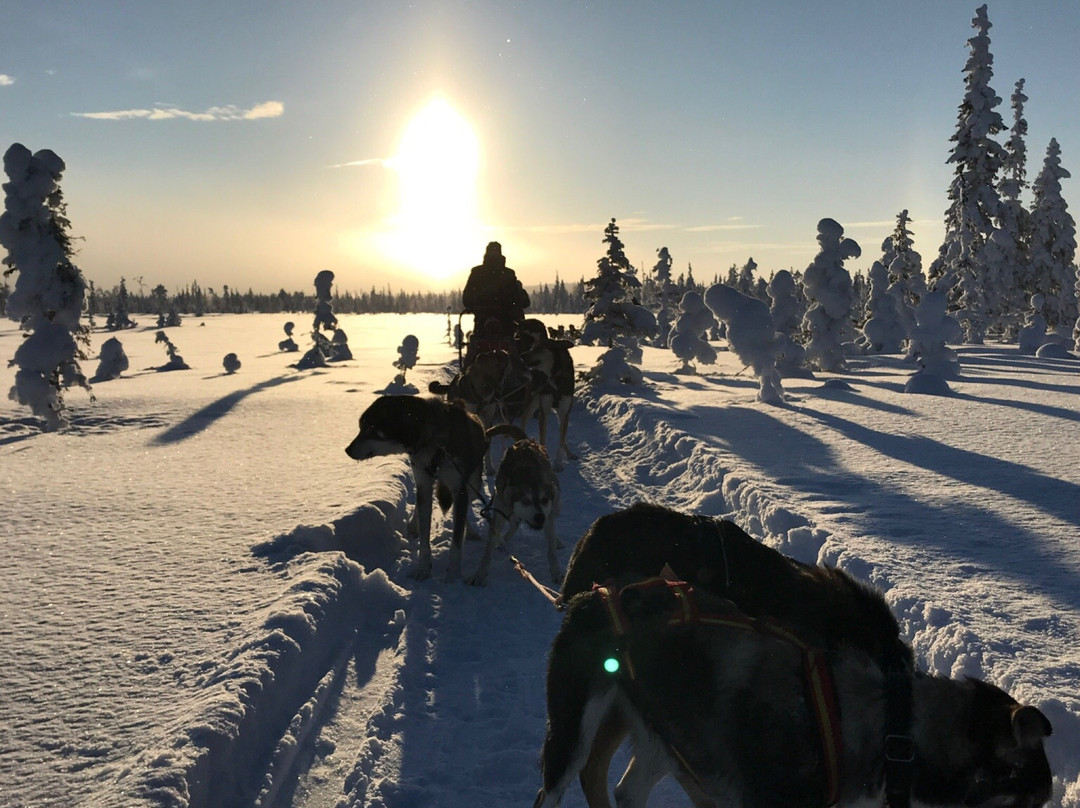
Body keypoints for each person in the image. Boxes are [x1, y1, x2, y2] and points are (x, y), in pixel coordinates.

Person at [462, 242, 530, 349]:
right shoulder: (507, 273)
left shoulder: (478, 272)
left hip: (491, 323)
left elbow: (467, 298)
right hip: (498, 323)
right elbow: (467, 298)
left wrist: (476, 306)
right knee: (513, 352)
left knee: (475, 351)